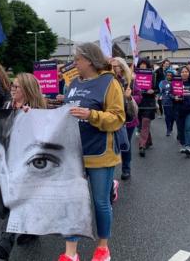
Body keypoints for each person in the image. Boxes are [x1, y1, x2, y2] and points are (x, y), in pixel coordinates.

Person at [61, 43, 125, 261]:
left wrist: (91, 115)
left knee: (100, 202)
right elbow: (66, 111)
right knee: (73, 202)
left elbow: (117, 118)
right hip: (74, 153)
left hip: (100, 155)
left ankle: (102, 248)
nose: (74, 63)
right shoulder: (72, 83)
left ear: (89, 60)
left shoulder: (110, 82)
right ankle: (71, 253)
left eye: (77, 59)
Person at [0, 73, 46, 260]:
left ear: (28, 90)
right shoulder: (7, 105)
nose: (12, 90)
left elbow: (44, 138)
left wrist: (31, 119)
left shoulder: (37, 110)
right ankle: (32, 229)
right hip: (8, 160)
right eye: (12, 86)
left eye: (17, 87)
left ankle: (6, 241)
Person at [110, 57, 141, 180]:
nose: (113, 68)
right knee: (111, 146)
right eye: (111, 66)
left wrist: (129, 97)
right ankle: (109, 172)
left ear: (122, 67)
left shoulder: (130, 81)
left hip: (128, 120)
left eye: (115, 66)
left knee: (125, 145)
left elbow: (139, 97)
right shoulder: (108, 81)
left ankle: (126, 169)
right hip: (112, 118)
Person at [172, 66, 190, 157]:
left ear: (189, 73)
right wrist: (174, 97)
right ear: (179, 73)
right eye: (182, 72)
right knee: (181, 129)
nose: (184, 73)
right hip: (179, 110)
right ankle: (184, 145)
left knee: (189, 128)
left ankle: (189, 146)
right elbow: (170, 94)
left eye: (186, 71)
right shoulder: (175, 83)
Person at [136, 58, 157, 157]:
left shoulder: (152, 74)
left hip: (149, 103)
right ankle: (148, 141)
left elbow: (157, 88)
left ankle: (142, 146)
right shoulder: (135, 75)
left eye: (145, 64)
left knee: (145, 123)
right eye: (141, 64)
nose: (143, 66)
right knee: (141, 125)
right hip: (138, 103)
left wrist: (153, 90)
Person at [159, 69, 176, 136]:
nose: (169, 76)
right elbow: (161, 92)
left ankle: (171, 127)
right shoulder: (162, 82)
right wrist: (160, 96)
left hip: (174, 102)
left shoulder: (175, 82)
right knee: (167, 116)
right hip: (166, 102)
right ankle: (168, 129)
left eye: (170, 75)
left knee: (172, 117)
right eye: (168, 75)